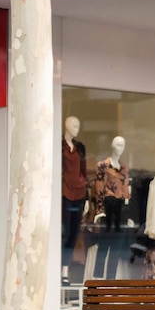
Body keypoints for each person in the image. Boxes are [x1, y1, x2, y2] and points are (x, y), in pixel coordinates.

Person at [91, 136, 130, 279]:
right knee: (103, 248)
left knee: (115, 250)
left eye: (123, 145)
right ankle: (98, 283)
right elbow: (99, 188)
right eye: (118, 144)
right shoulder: (103, 166)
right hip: (107, 209)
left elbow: (126, 192)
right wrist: (100, 210)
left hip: (120, 211)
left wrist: (129, 214)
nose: (121, 148)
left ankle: (110, 283)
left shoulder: (124, 168)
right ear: (112, 146)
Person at [61, 116, 87, 285]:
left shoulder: (80, 148)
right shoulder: (59, 146)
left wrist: (88, 195)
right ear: (66, 125)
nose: (77, 127)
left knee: (73, 233)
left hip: (79, 193)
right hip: (64, 193)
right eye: (74, 124)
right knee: (64, 232)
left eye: (78, 124)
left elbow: (83, 171)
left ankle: (65, 270)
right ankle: (59, 267)